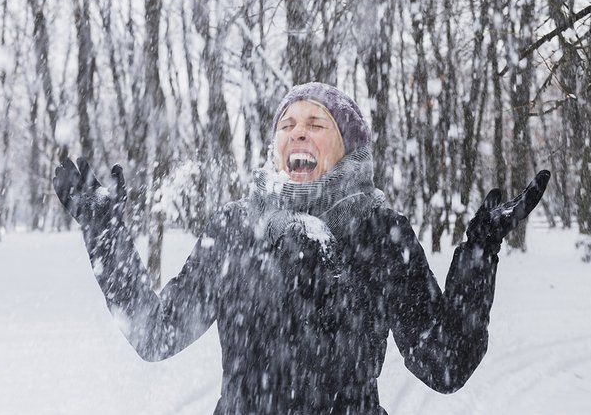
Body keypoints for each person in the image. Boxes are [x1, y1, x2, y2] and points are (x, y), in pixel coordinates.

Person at [53, 82, 550, 414]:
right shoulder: (235, 228)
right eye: (287, 124)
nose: (297, 131)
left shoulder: (380, 232)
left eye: (316, 123)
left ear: (347, 146)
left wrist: (481, 251)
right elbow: (154, 334)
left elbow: (446, 364)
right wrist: (104, 233)